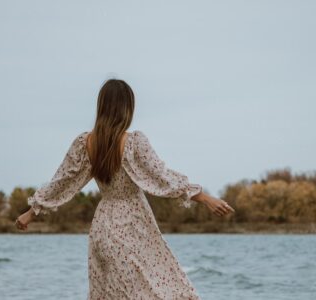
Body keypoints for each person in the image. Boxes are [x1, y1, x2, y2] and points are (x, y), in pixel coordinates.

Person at [15, 78, 235, 299]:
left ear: (101, 106)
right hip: (133, 224)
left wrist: (31, 212)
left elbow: (61, 182)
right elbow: (162, 177)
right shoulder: (133, 142)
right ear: (127, 108)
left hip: (103, 227)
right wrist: (205, 198)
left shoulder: (86, 143)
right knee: (159, 288)